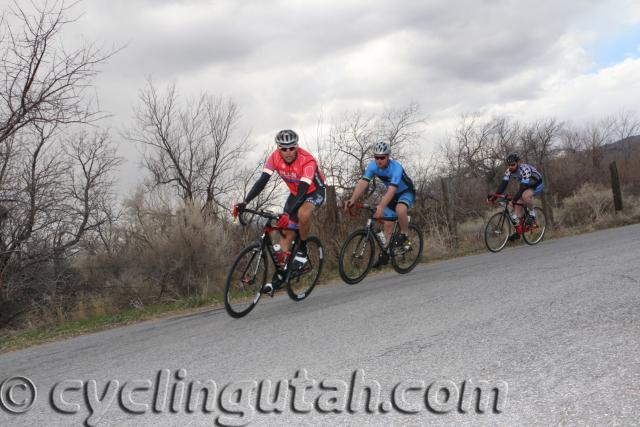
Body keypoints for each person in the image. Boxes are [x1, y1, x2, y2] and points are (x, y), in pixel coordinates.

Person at [235, 129, 326, 293]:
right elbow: (262, 181)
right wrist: (245, 201)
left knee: (303, 214)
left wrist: (287, 212)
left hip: (313, 191)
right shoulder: (274, 158)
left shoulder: (307, 161)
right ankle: (279, 278)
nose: (288, 152)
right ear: (278, 148)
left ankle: (303, 250)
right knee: (285, 236)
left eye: (292, 147)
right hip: (295, 193)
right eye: (284, 148)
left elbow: (304, 189)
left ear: (297, 146)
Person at [345, 140, 415, 268]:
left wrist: (381, 206)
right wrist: (353, 199)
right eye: (376, 157)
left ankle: (405, 234)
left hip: (405, 192)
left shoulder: (396, 168)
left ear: (388, 157)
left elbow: (393, 189)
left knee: (400, 210)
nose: (379, 160)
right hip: (392, 194)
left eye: (382, 157)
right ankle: (387, 253)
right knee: (388, 224)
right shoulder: (373, 166)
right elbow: (363, 182)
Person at [488, 152, 544, 241]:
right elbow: (503, 185)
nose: (511, 166)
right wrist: (494, 197)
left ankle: (532, 216)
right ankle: (519, 231)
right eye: (509, 165)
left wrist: (513, 200)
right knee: (516, 206)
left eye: (513, 164)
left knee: (525, 196)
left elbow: (522, 189)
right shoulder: (509, 171)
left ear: (518, 162)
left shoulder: (524, 170)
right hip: (526, 185)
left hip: (537, 184)